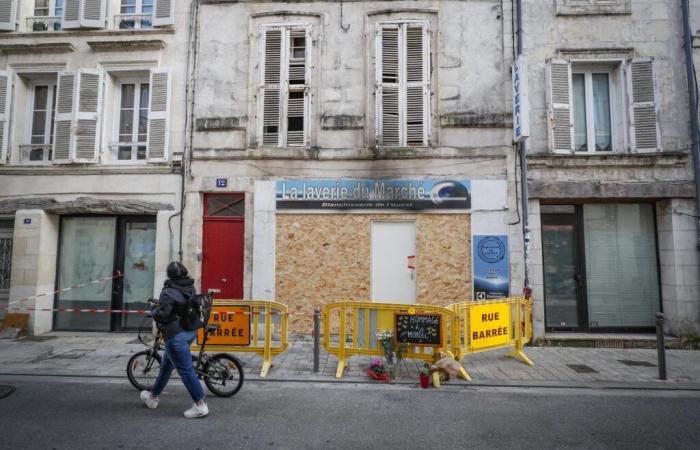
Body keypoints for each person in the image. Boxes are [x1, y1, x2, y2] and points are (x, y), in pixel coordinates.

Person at [139, 261, 208, 418]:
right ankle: (153, 397)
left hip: (175, 335)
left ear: (169, 275)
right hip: (190, 331)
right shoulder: (189, 287)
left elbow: (163, 313)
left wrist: (153, 310)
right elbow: (179, 306)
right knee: (166, 366)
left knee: (185, 371)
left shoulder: (168, 292)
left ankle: (200, 405)